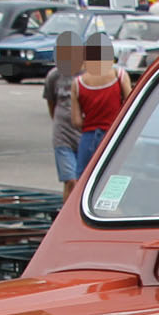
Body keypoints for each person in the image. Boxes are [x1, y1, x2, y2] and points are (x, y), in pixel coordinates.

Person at [69, 34, 132, 173]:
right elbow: (131, 106)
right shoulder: (119, 75)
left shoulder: (78, 83)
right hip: (114, 135)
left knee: (85, 179)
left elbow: (76, 121)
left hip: (88, 138)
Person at [42, 52, 81, 198]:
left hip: (85, 135)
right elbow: (51, 103)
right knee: (70, 180)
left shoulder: (88, 76)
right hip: (63, 136)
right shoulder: (54, 76)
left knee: (84, 181)